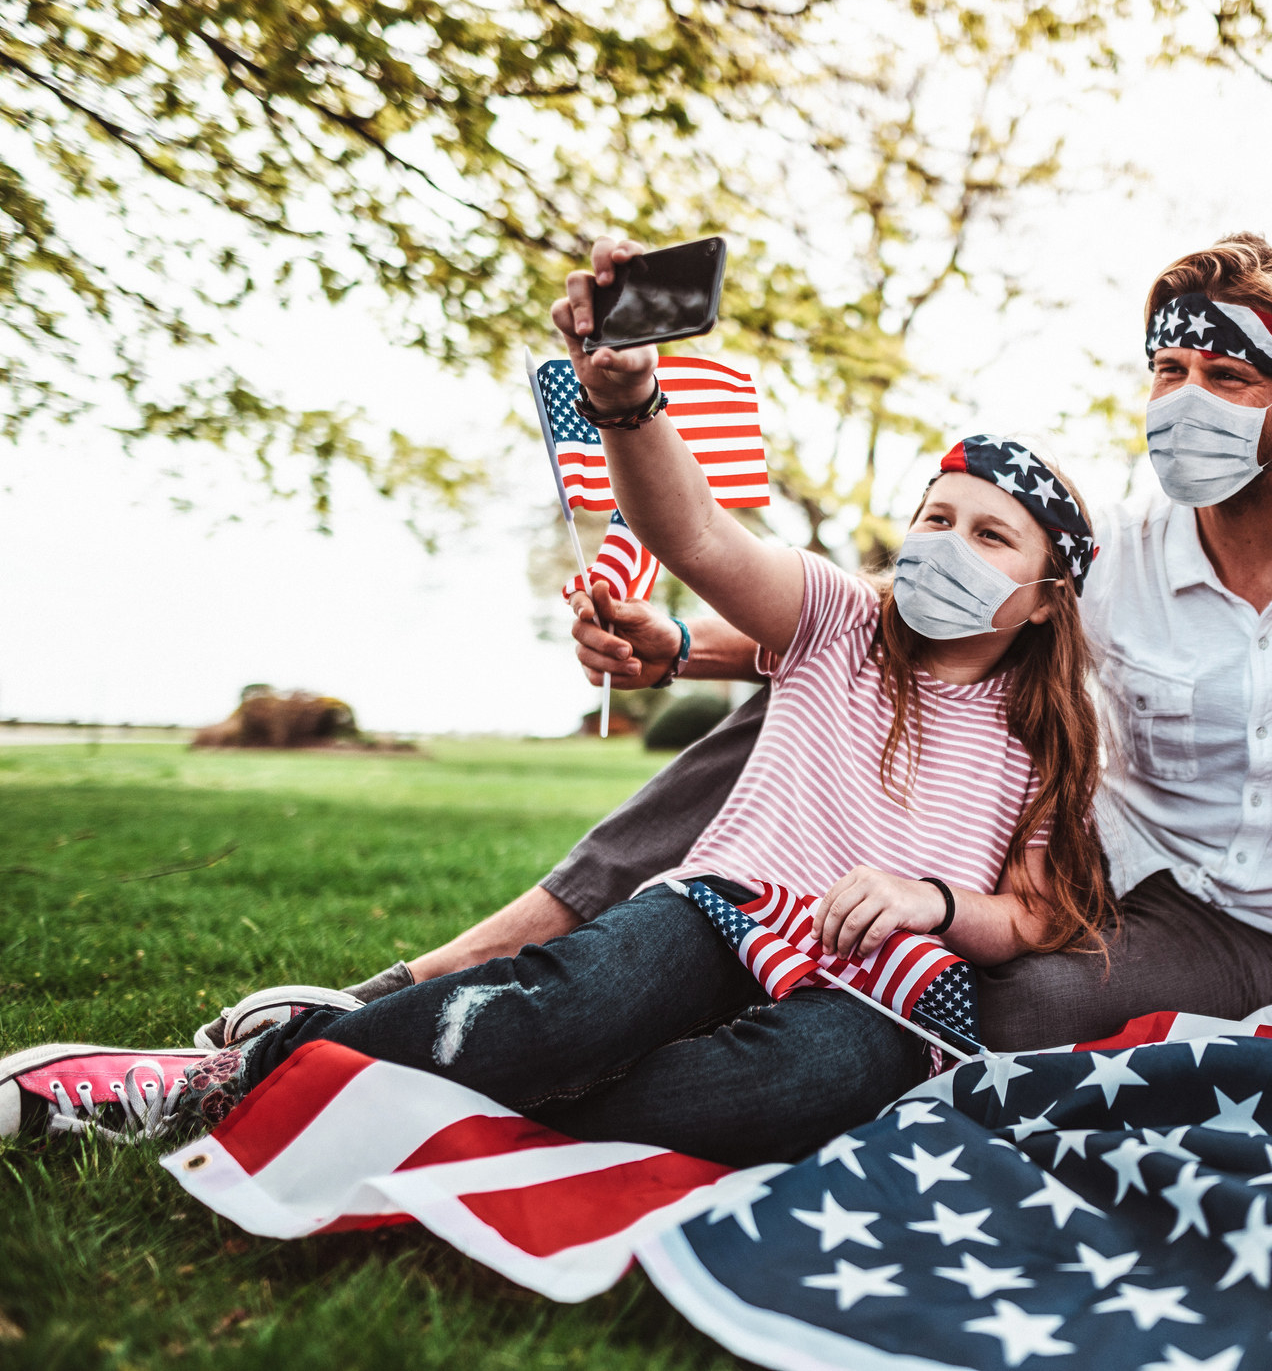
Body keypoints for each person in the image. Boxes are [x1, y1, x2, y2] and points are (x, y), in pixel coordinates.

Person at [0, 236, 1114, 1161]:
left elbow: (1028, 914)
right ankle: (211, 1084)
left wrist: (929, 901)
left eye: (987, 535)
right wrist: (630, 406)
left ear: (1041, 598)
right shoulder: (833, 620)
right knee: (562, 1004)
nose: (946, 546)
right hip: (727, 905)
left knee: (776, 1097)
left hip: (883, 987)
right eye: (934, 517)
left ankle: (431, 1118)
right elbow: (700, 534)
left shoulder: (1051, 739)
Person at [229, 231, 1272, 1054]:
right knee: (804, 692)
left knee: (1000, 1013)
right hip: (1117, 877)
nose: (1186, 401)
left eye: (1225, 377)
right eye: (1168, 371)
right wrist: (680, 645)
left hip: (1255, 929)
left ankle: (650, 1025)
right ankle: (453, 975)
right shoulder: (1112, 553)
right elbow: (880, 618)